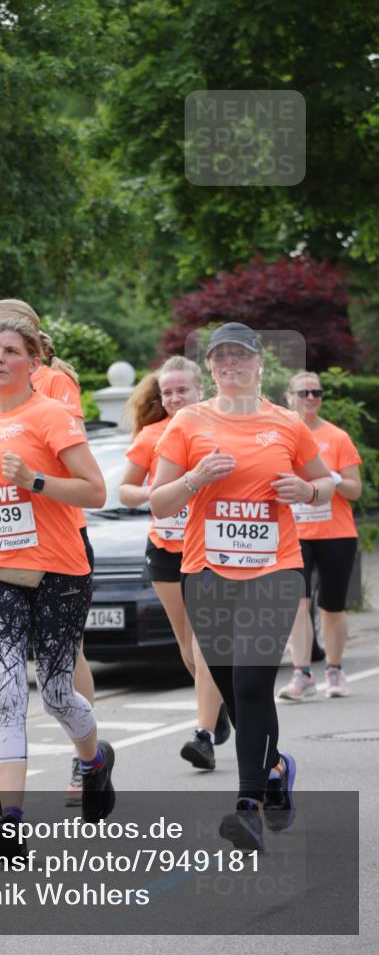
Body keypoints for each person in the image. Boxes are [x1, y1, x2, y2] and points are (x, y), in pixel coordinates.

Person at [151, 323, 334, 850]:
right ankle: (275, 767)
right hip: (206, 573)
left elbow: (326, 484)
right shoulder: (187, 422)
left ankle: (248, 804)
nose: (230, 364)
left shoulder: (287, 425)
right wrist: (195, 478)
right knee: (233, 690)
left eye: (241, 356)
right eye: (220, 358)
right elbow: (159, 502)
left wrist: (306, 487)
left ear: (259, 365)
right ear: (210, 369)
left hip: (273, 570)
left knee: (253, 685)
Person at [0, 316, 113, 855]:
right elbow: (0, 501)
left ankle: (94, 760)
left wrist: (35, 481)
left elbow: (95, 492)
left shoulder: (52, 416)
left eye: (10, 351)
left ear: (33, 361)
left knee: (58, 693)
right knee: (9, 691)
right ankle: (11, 820)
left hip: (60, 571)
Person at [119, 356, 230, 771]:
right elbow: (126, 490)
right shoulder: (151, 436)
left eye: (182, 390)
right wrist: (159, 494)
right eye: (167, 392)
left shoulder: (219, 427)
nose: (174, 398)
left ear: (201, 390)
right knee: (187, 647)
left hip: (212, 551)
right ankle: (216, 709)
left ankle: (203, 736)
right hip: (166, 550)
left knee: (205, 644)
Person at [278, 371, 362, 701]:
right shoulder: (281, 438)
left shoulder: (337, 437)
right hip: (295, 534)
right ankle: (301, 675)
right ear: (289, 397)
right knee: (297, 604)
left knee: (332, 607)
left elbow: (355, 490)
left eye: (316, 392)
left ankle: (335, 670)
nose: (311, 398)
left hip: (335, 533)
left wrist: (334, 479)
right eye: (303, 393)